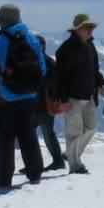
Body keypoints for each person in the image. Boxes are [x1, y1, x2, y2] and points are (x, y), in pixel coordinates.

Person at [0, 3, 47, 189]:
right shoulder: (32, 39)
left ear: (1, 21)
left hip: (3, 97)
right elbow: (42, 68)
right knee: (28, 134)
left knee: (5, 139)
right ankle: (35, 173)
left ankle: (4, 179)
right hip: (29, 95)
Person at [54, 13, 104, 174]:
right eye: (87, 27)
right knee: (74, 132)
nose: (90, 31)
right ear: (77, 29)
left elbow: (94, 69)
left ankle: (70, 154)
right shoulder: (65, 50)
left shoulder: (90, 46)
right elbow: (59, 77)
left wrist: (100, 84)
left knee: (91, 128)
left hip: (89, 94)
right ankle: (75, 165)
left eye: (91, 27)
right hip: (72, 97)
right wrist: (63, 99)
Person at [32, 34, 68, 172]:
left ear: (43, 46)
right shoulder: (36, 62)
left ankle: (57, 161)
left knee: (47, 133)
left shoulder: (48, 62)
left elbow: (55, 82)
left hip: (45, 103)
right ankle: (35, 162)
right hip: (34, 104)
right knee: (31, 133)